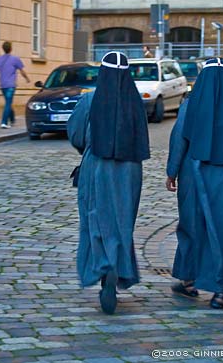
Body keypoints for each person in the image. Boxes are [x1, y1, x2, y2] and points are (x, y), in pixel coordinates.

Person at [165, 57, 223, 309]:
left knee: (192, 228)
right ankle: (220, 292)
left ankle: (188, 281)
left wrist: (172, 172)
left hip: (195, 173)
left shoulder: (189, 105)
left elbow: (179, 141)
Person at [67, 51, 150, 315]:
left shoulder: (90, 100)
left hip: (98, 167)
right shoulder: (136, 101)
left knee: (96, 218)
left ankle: (103, 269)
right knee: (122, 224)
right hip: (129, 171)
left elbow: (77, 134)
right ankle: (116, 267)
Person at [0, 41, 30, 128]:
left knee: (8, 102)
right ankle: (4, 122)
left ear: (3, 49)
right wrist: (27, 79)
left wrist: (1, 80)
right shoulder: (15, 59)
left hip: (3, 85)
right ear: (11, 49)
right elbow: (22, 71)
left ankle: (12, 119)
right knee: (8, 103)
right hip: (10, 85)